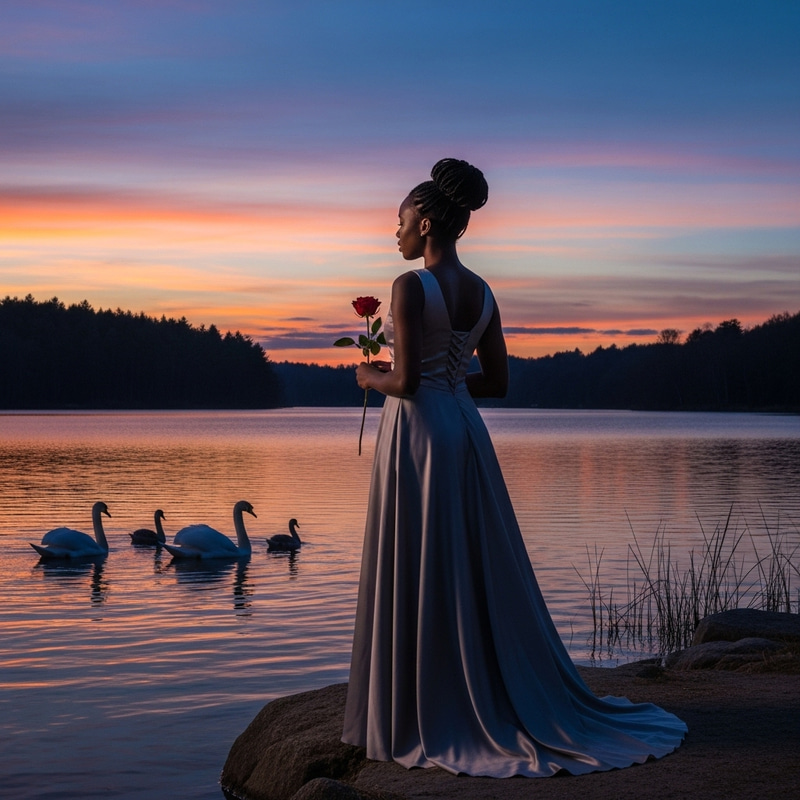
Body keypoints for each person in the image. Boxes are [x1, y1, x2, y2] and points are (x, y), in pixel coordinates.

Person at [341, 158, 686, 777]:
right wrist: (449, 381)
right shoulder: (485, 292)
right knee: (468, 560)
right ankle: (482, 681)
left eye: (400, 220)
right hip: (465, 430)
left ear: (426, 221)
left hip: (420, 436)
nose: (396, 231)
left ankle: (429, 700)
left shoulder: (409, 285)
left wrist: (368, 375)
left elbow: (406, 382)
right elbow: (497, 382)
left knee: (425, 558)